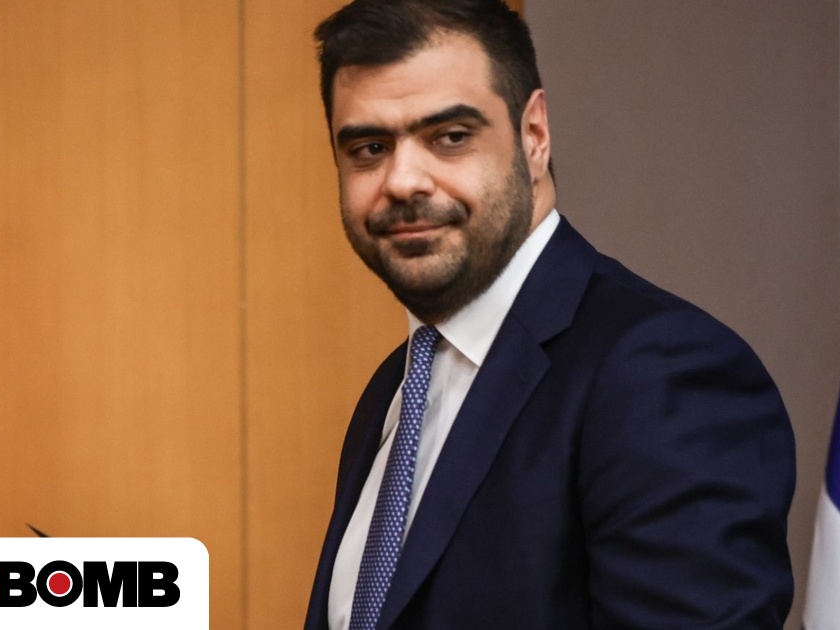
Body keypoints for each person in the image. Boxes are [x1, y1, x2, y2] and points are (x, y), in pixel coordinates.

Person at [303, 1, 796, 628]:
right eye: (369, 148)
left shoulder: (659, 372)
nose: (403, 181)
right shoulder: (393, 390)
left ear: (534, 134)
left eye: (450, 137)